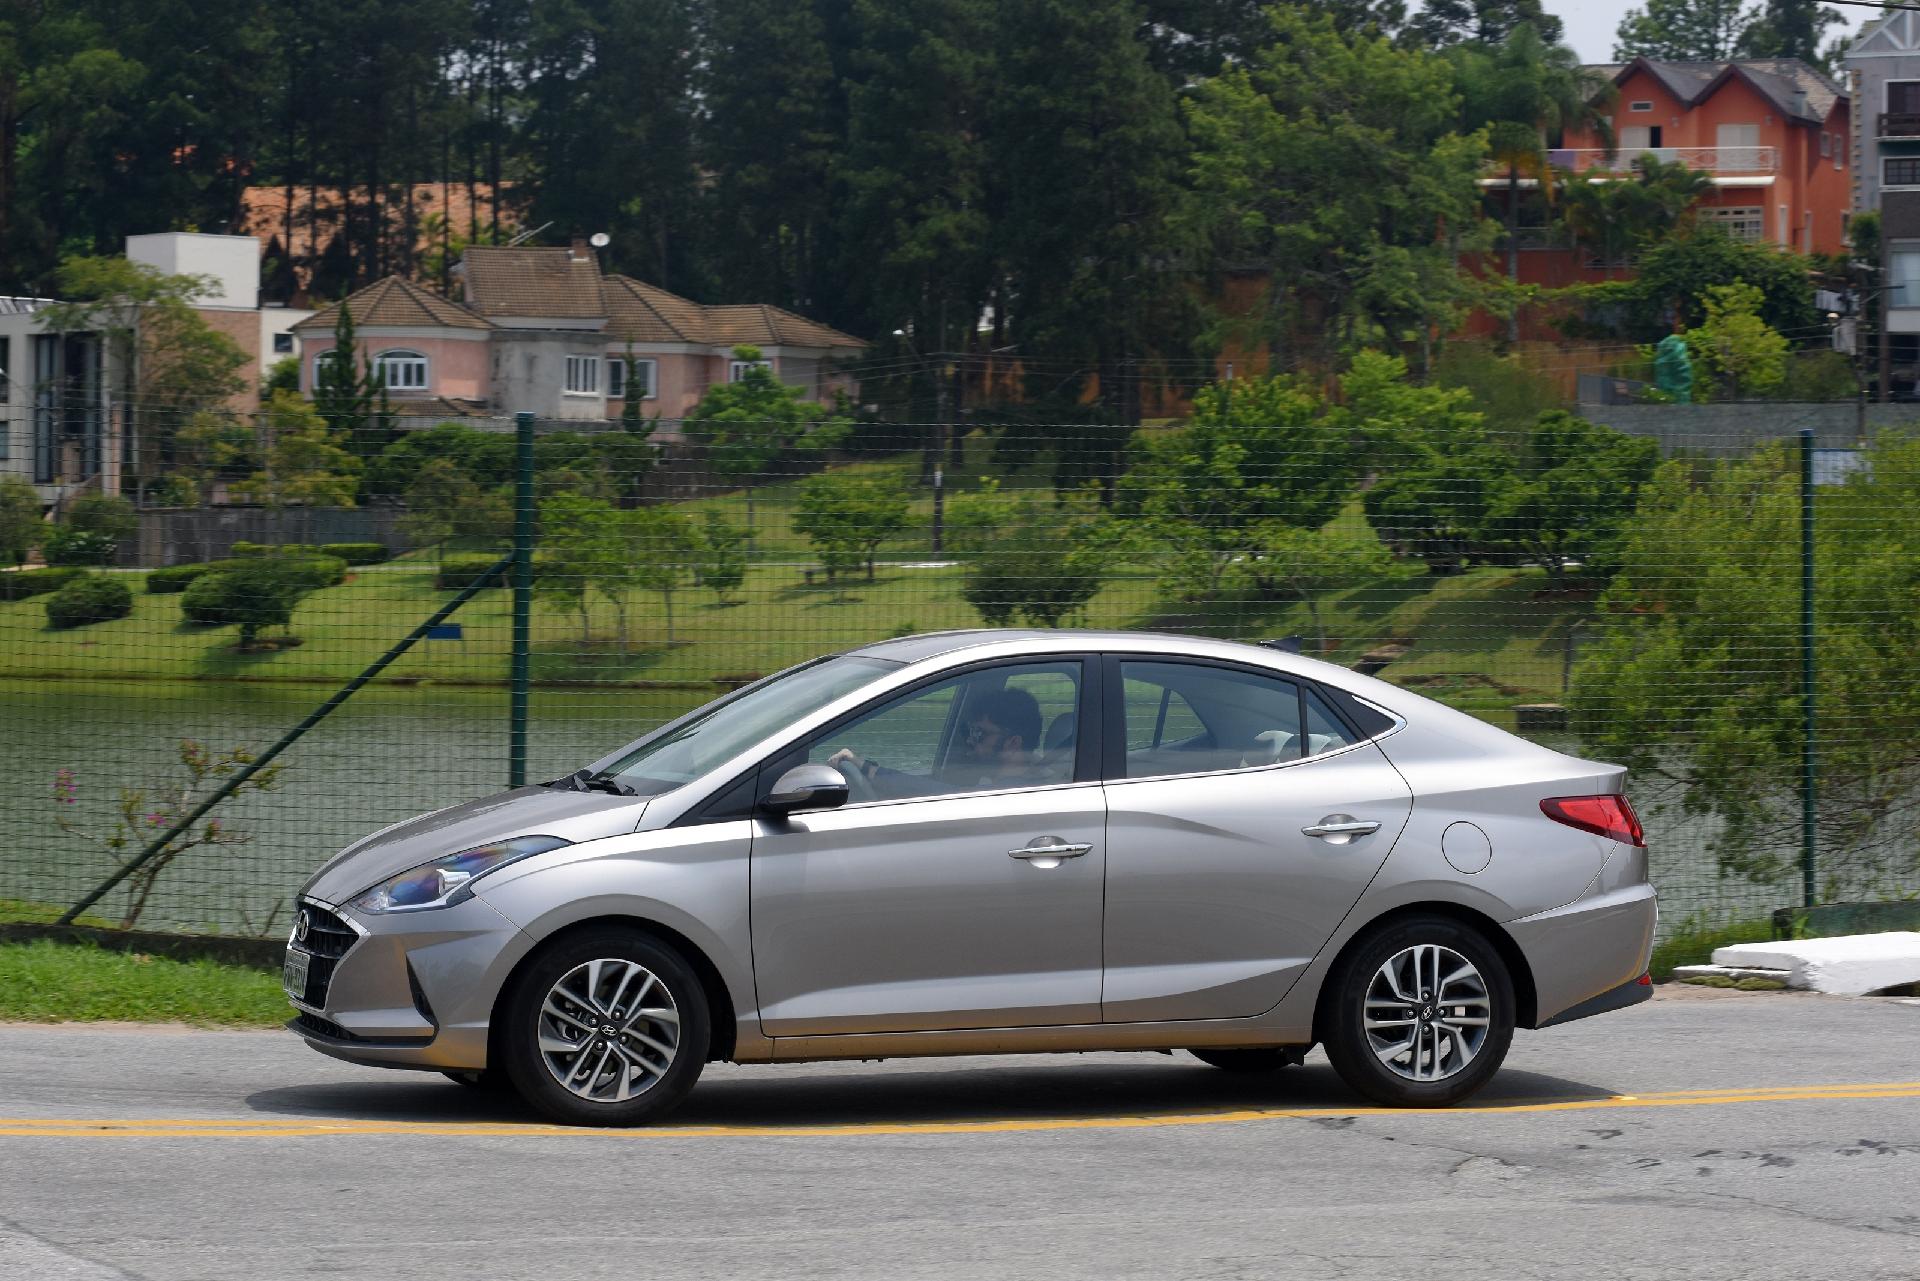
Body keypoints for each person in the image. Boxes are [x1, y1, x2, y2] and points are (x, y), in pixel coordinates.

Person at [827, 686, 1049, 796]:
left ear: (1013, 744)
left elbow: (942, 793)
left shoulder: (1016, 793)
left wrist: (868, 769)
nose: (971, 741)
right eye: (968, 731)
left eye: (980, 734)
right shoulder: (1028, 777)